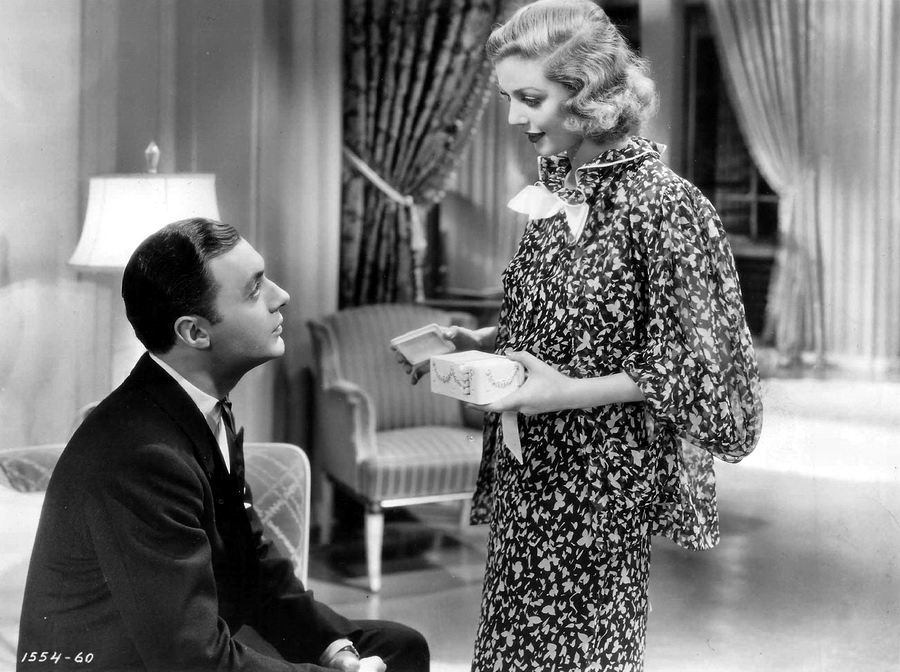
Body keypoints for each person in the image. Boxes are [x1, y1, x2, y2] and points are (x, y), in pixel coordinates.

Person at [399, 1, 762, 669]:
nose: (513, 118)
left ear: (588, 92)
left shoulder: (666, 205)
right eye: (508, 98)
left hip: (598, 490)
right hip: (529, 477)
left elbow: (699, 367)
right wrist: (478, 339)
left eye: (529, 98)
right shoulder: (558, 195)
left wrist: (566, 393)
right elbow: (575, 323)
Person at [17, 218, 429, 672]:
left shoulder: (201, 405)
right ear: (195, 333)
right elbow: (191, 659)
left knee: (401, 647)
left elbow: (253, 566)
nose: (281, 296)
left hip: (192, 639)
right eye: (254, 290)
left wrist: (336, 649)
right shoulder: (141, 456)